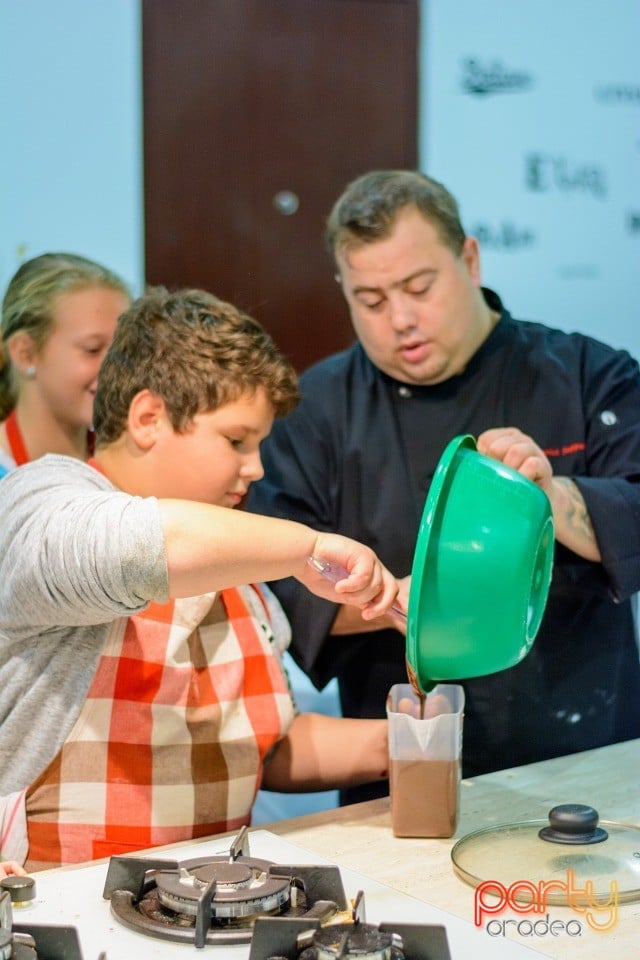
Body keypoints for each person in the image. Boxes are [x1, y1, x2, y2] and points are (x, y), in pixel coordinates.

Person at [248, 168, 640, 804]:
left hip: (591, 760)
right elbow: (276, 588)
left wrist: (553, 500)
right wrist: (408, 607)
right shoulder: (314, 411)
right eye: (370, 301)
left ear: (470, 259)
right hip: (404, 776)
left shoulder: (587, 374)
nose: (400, 319)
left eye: (419, 287)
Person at [0, 287, 396, 871]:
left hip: (213, 901)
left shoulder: (231, 552)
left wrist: (403, 745)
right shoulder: (39, 500)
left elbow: (262, 744)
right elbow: (138, 547)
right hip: (56, 904)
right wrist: (305, 548)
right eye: (236, 441)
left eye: (260, 445)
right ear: (148, 418)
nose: (256, 467)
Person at [0, 252, 131, 476]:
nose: (116, 367)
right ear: (25, 354)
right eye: (92, 349)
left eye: (124, 349)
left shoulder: (131, 468)